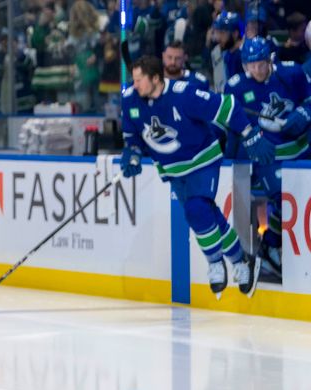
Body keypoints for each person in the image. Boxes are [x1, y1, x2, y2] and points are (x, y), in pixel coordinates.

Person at [121, 55, 273, 298]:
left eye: (139, 80)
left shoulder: (184, 95)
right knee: (208, 216)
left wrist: (249, 133)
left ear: (156, 78)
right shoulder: (130, 99)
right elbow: (132, 138)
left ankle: (215, 263)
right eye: (134, 79)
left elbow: (228, 106)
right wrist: (133, 155)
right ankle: (242, 261)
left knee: (196, 210)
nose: (135, 85)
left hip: (202, 161)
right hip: (173, 169)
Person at [224, 37, 311, 279]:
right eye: (251, 65)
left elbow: (309, 99)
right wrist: (250, 138)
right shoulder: (236, 86)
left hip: (301, 150)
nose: (257, 70)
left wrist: (304, 113)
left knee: (305, 199)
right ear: (244, 65)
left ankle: (278, 247)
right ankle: (271, 244)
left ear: (269, 59)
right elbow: (231, 121)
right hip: (268, 156)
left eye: (261, 63)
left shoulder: (291, 73)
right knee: (284, 199)